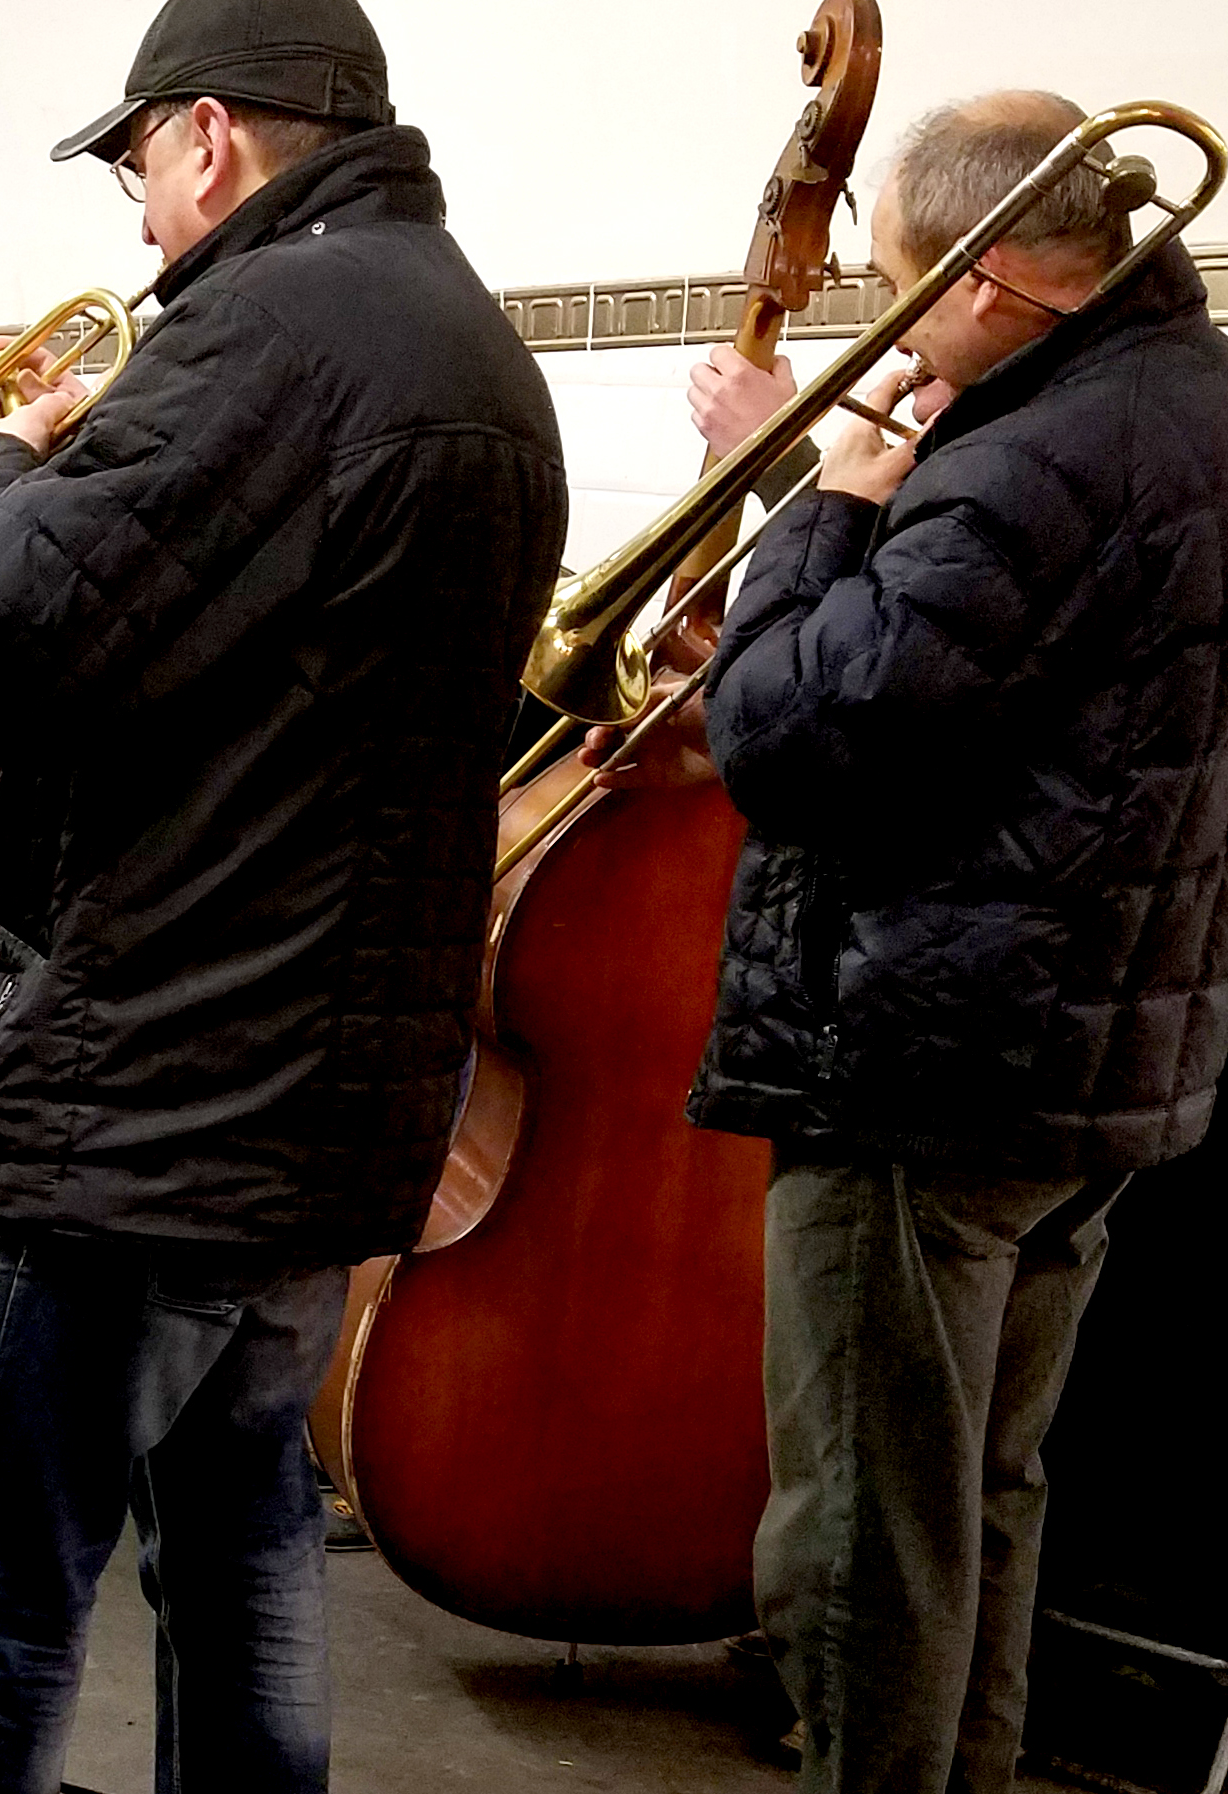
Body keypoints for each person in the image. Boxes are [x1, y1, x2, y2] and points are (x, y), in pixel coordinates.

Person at [0, 0, 568, 1784]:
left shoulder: (268, 325)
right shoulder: (470, 343)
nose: (138, 215)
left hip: (140, 1099)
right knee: (241, 1550)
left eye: (135, 163)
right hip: (320, 1108)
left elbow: (8, 628)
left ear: (208, 134)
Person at [588, 91, 1228, 1794]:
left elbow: (793, 734)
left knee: (869, 1534)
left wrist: (829, 496)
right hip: (1090, 1054)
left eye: (894, 271)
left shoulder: (1030, 459)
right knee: (984, 1499)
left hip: (928, 1061)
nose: (881, 306)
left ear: (995, 269)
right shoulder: (1184, 398)